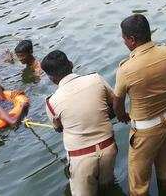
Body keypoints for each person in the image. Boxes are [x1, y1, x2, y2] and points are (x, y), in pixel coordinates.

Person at [113, 14, 166, 196]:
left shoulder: (126, 68)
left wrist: (122, 115)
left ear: (132, 40)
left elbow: (117, 102)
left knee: (139, 185)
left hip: (145, 131)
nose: (123, 40)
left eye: (124, 37)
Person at [42, 50, 117, 196]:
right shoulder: (96, 79)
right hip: (108, 148)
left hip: (81, 159)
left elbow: (58, 128)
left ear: (51, 79)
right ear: (70, 64)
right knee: (108, 189)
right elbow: (115, 105)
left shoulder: (51, 102)